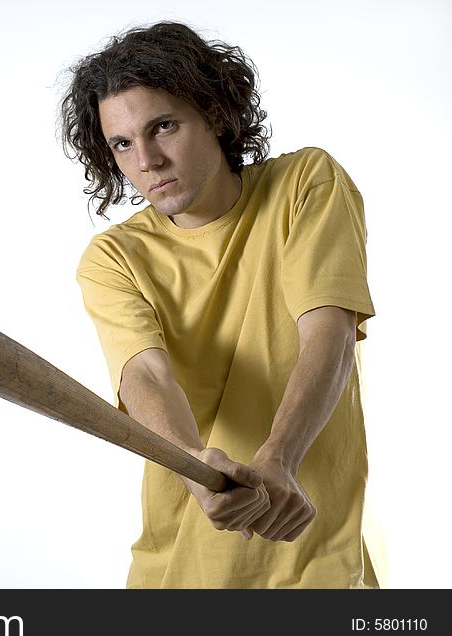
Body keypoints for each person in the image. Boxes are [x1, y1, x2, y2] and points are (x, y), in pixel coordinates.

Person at [60, 21, 377, 588]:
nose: (147, 160)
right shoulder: (114, 258)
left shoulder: (306, 183)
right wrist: (192, 468)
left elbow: (329, 333)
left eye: (164, 126)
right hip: (178, 571)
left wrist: (278, 457)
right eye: (123, 143)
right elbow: (145, 378)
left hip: (313, 561)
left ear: (217, 114)